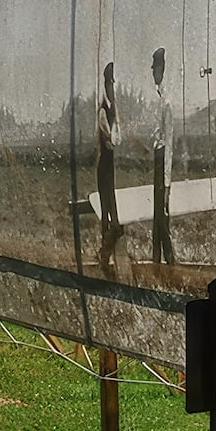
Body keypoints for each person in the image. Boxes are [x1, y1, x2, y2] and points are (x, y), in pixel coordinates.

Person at [151, 46, 176, 265]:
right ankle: (157, 260)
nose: (154, 72)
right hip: (156, 160)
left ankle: (169, 261)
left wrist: (167, 182)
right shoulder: (158, 98)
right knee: (157, 213)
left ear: (163, 69)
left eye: (157, 68)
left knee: (162, 214)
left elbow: (169, 144)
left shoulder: (166, 101)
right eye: (153, 68)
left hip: (162, 161)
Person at [95, 61, 121, 274]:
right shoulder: (103, 111)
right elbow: (111, 139)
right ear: (106, 85)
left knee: (113, 210)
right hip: (104, 166)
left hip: (110, 165)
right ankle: (105, 256)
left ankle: (108, 253)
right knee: (107, 211)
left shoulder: (112, 109)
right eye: (110, 84)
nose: (112, 87)